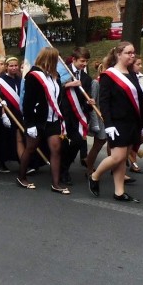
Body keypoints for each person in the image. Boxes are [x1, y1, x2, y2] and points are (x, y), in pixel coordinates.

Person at [88, 42, 143, 202]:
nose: (132, 55)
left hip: (132, 122)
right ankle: (94, 176)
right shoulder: (108, 75)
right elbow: (105, 102)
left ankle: (119, 192)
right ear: (119, 55)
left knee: (122, 158)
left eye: (133, 52)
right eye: (128, 53)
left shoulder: (132, 73)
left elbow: (140, 101)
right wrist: (108, 125)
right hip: (117, 123)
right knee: (117, 156)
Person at [16, 47, 68, 193]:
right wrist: (30, 123)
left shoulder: (54, 75)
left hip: (53, 119)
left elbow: (58, 97)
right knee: (31, 148)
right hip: (37, 120)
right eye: (56, 60)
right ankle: (21, 176)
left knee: (56, 149)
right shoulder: (33, 76)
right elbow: (28, 102)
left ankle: (56, 184)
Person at [60, 47, 94, 185]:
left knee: (77, 142)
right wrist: (67, 85)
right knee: (62, 145)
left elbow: (86, 97)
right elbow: (53, 91)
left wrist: (90, 102)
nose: (84, 64)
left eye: (86, 61)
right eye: (82, 61)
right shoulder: (62, 72)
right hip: (63, 115)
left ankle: (65, 167)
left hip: (78, 116)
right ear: (73, 59)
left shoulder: (86, 78)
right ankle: (61, 171)